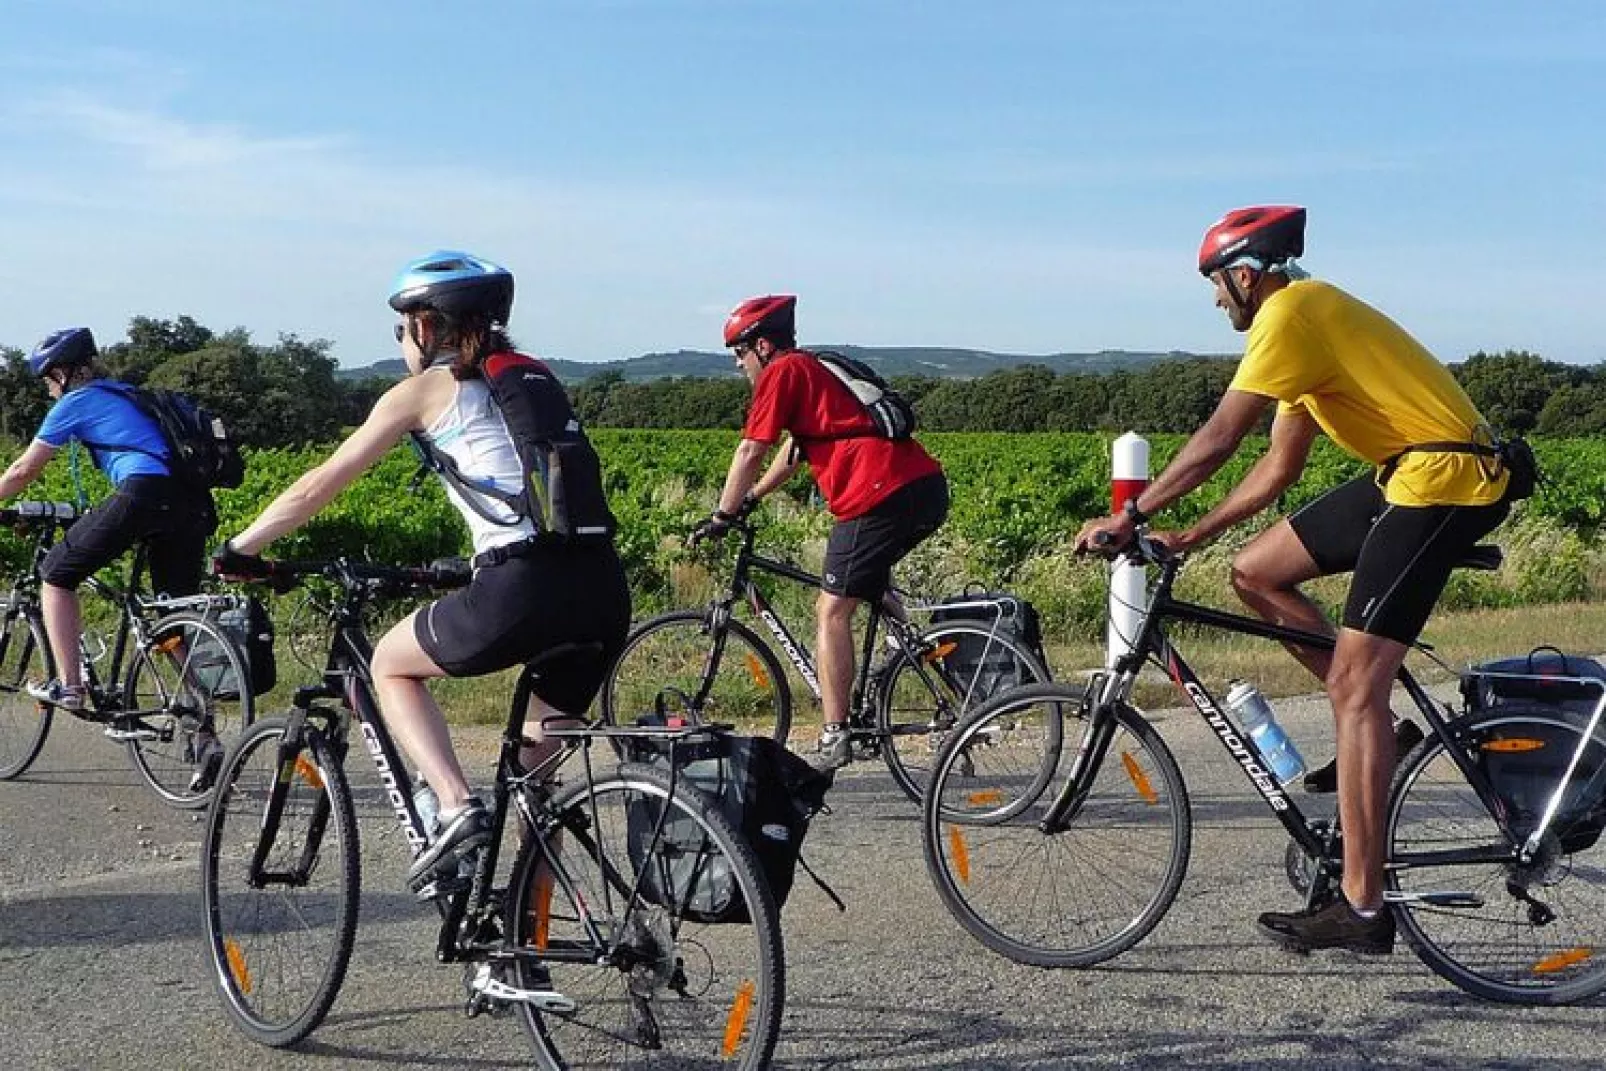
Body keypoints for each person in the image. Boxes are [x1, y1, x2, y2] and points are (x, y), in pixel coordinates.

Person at [1074, 205, 1511, 955]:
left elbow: (1219, 436)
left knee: (1354, 683)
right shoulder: (1306, 327)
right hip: (1407, 473)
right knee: (1256, 571)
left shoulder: (1292, 314)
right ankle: (1387, 734)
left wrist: (1134, 511)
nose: (1216, 301)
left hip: (1444, 478)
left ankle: (1364, 907)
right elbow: (1277, 468)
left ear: (1245, 275)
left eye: (1216, 285)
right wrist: (1191, 535)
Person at [213, 251, 631, 888]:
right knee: (535, 791)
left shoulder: (422, 391)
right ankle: (522, 958)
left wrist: (243, 546)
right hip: (601, 588)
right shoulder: (530, 379)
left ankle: (456, 804)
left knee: (389, 663)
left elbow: (319, 483)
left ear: (427, 326)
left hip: (522, 587)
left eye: (404, 325)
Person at [696, 294, 949, 772]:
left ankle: (836, 732)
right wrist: (753, 498)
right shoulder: (809, 370)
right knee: (865, 587)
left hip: (879, 493)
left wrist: (723, 515)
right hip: (917, 486)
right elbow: (797, 450)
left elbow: (752, 448)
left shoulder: (782, 372)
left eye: (739, 353)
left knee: (831, 609)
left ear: (763, 346)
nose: (738, 365)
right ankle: (921, 665)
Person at [0, 328, 222, 778]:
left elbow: (25, 468)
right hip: (193, 504)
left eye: (47, 380)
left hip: (144, 492)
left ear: (63, 373)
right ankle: (204, 731)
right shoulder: (129, 394)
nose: (48, 389)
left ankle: (70, 686)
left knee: (56, 574)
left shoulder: (75, 402)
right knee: (167, 615)